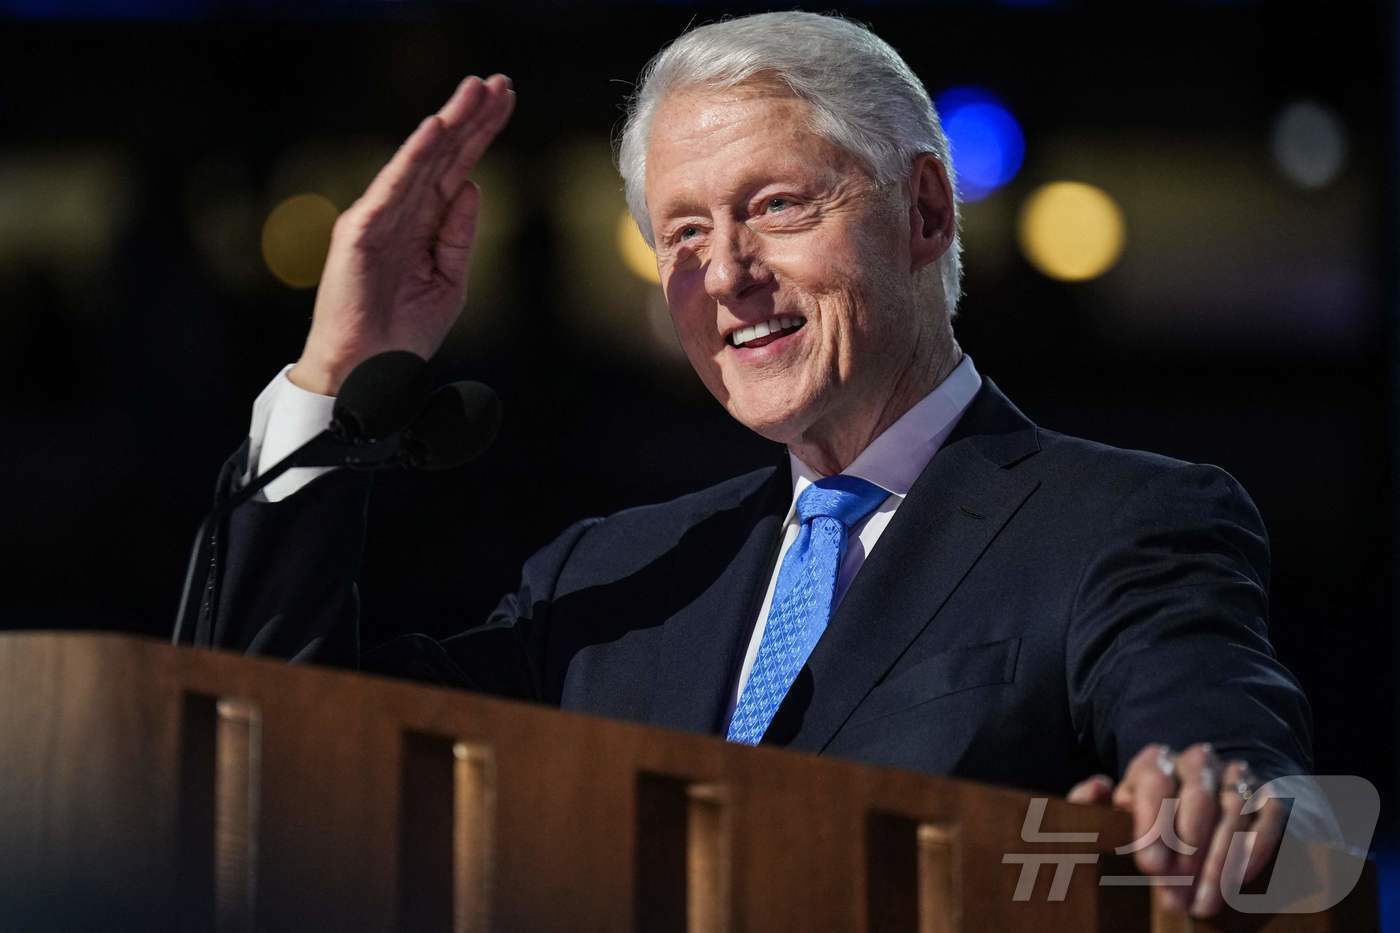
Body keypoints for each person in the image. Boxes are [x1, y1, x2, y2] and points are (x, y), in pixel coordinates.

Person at [197, 12, 1316, 919]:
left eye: (775, 206)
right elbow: (265, 745)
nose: (724, 272)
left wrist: (1207, 783)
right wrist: (333, 369)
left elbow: (1221, 753)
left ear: (924, 211)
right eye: (680, 234)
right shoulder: (606, 579)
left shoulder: (1122, 522)